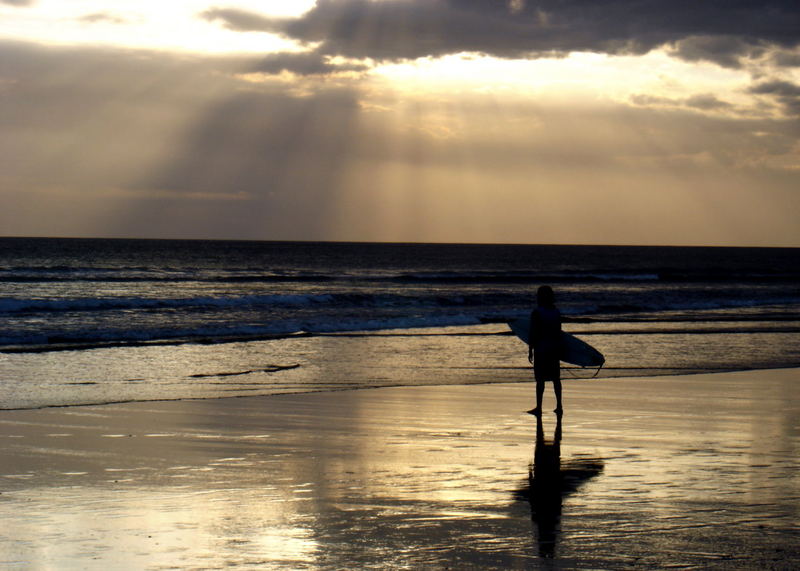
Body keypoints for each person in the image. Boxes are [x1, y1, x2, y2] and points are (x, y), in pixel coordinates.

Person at [528, 285, 563, 416]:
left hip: (541, 349)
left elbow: (533, 332)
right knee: (556, 379)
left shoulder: (537, 312)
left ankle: (539, 407)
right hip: (554, 348)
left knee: (540, 380)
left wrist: (530, 349)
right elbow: (559, 332)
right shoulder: (556, 312)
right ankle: (559, 406)